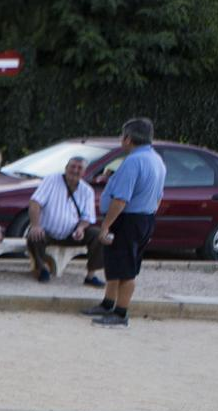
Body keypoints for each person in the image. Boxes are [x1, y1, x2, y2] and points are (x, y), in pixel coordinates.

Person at [89, 118, 166, 328]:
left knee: (125, 268)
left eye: (122, 136)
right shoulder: (156, 159)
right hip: (144, 218)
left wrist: (106, 225)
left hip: (128, 220)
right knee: (117, 264)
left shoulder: (133, 161)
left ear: (128, 138)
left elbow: (121, 199)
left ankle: (120, 313)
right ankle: (108, 304)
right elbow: (159, 196)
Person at [25, 156, 105, 287]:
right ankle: (42, 269)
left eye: (79, 168)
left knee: (98, 235)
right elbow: (35, 202)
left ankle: (91, 275)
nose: (75, 170)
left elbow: (88, 217)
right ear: (66, 168)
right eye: (72, 167)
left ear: (84, 172)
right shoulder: (52, 180)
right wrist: (35, 225)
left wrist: (80, 228)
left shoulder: (87, 191)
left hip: (72, 233)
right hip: (47, 231)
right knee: (33, 236)